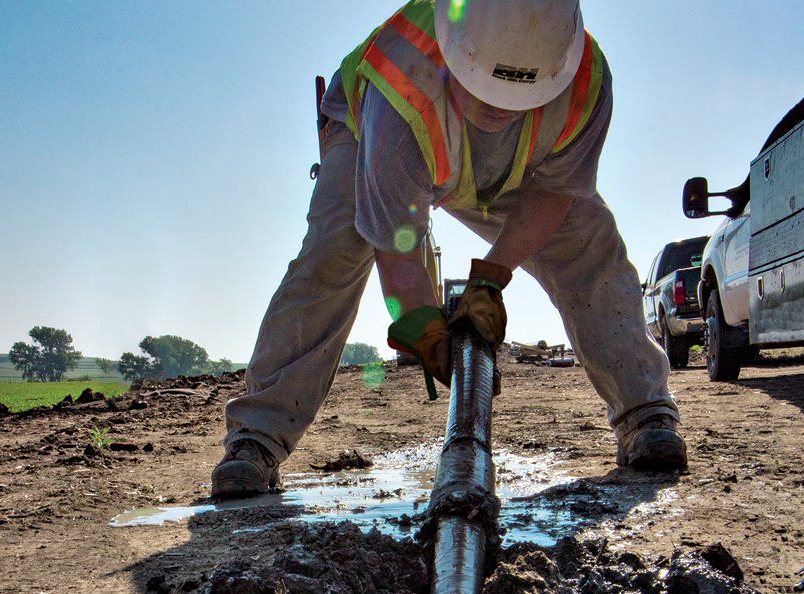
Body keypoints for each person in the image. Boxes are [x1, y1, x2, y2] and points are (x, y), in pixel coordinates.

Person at [212, 0, 687, 498]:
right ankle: (256, 438)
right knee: (335, 250)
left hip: (508, 159)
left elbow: (554, 194)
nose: (499, 105)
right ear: (452, 47)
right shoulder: (400, 88)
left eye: (517, 94)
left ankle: (645, 411)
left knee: (588, 240)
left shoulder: (584, 81)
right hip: (371, 128)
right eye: (485, 88)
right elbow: (397, 247)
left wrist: (492, 277)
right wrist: (425, 328)